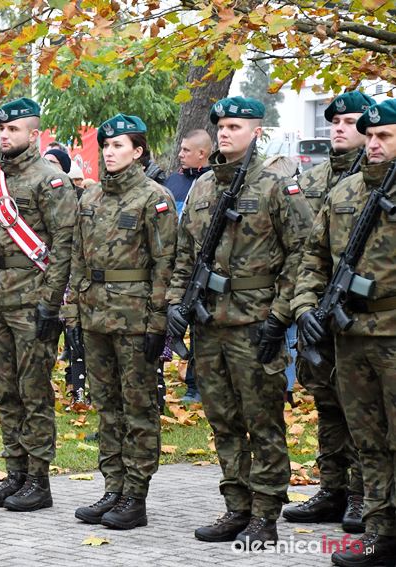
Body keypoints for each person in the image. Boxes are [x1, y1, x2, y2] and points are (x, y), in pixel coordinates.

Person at [166, 97, 314, 548]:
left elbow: (303, 255)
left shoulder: (276, 186)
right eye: (222, 126)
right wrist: (175, 303)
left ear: (256, 132)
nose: (226, 133)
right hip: (209, 323)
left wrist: (280, 315)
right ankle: (237, 506)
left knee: (263, 421)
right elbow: (185, 256)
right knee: (223, 420)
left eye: (235, 126)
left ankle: (265, 513)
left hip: (256, 323)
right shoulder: (203, 187)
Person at [294, 99, 396, 567]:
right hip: (351, 335)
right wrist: (304, 308)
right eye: (369, 136)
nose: (373, 144)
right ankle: (380, 532)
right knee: (368, 441)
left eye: (384, 136)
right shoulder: (344, 192)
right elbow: (313, 258)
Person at [0, 97, 77, 512]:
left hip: (33, 299)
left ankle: (38, 479)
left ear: (34, 134)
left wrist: (51, 303)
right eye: (1, 129)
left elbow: (64, 245)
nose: (4, 135)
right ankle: (15, 472)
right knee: (4, 390)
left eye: (13, 129)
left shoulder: (51, 181)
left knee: (33, 391)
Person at [70, 114, 177, 529]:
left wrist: (158, 322)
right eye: (106, 146)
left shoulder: (154, 197)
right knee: (107, 407)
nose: (110, 152)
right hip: (95, 315)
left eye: (119, 145)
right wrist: (74, 309)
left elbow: (165, 264)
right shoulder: (91, 198)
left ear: (138, 151)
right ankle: (112, 488)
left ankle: (135, 494)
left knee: (138, 408)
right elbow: (78, 257)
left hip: (135, 318)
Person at [282, 90, 374, 534]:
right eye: (334, 121)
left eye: (349, 122)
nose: (338, 128)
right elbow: (300, 249)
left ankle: (362, 494)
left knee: (362, 408)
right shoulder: (310, 180)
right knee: (327, 404)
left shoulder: (378, 179)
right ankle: (332, 488)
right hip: (315, 309)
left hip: (362, 314)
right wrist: (299, 307)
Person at [164, 129, 213, 404]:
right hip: (174, 263)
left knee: (198, 327)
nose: (180, 154)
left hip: (199, 266)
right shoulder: (173, 181)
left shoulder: (210, 182)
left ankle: (196, 384)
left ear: (201, 153)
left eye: (186, 150)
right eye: (180, 149)